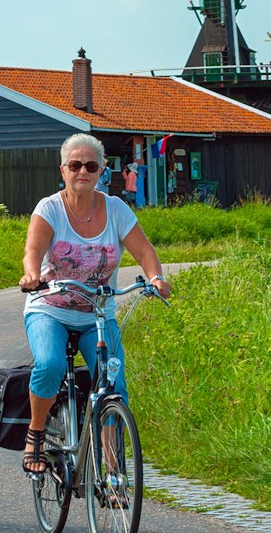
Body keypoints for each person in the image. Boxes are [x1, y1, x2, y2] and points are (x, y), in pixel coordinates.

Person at [17, 134, 170, 476]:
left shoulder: (116, 209)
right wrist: (31, 275)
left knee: (113, 385)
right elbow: (33, 251)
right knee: (50, 364)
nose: (82, 171)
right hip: (49, 308)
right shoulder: (50, 208)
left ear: (102, 170)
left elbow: (144, 252)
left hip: (97, 314)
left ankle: (113, 473)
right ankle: (36, 434)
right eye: (75, 165)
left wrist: (156, 277)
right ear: (63, 170)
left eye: (90, 165)